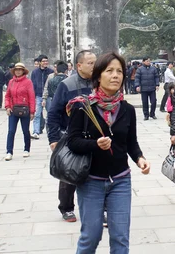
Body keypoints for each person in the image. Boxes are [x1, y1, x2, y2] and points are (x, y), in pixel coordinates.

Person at [67, 52, 150, 253]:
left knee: (120, 238)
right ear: (98, 76)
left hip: (120, 180)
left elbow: (131, 143)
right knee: (91, 236)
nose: (115, 76)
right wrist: (95, 144)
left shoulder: (127, 109)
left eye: (119, 71)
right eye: (109, 71)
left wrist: (140, 159)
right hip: (90, 181)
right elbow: (72, 142)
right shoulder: (83, 107)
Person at [48, 50, 96, 223]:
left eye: (95, 62)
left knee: (98, 173)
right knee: (70, 171)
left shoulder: (99, 82)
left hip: (96, 137)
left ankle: (99, 208)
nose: (94, 66)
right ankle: (66, 207)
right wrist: (53, 138)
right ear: (79, 65)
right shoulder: (66, 85)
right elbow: (53, 113)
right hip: (72, 136)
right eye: (90, 63)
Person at [4, 63, 35, 161]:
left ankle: (26, 149)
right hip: (13, 109)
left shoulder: (28, 82)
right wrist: (7, 106)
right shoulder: (11, 82)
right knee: (11, 131)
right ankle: (9, 151)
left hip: (25, 109)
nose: (18, 71)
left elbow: (31, 97)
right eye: (16, 69)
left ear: (23, 71)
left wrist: (32, 111)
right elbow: (7, 95)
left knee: (25, 130)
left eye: (20, 70)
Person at [30, 55, 53, 139]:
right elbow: (32, 84)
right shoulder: (35, 72)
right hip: (38, 95)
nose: (45, 62)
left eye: (46, 61)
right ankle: (36, 131)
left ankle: (50, 131)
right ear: (39, 62)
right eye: (43, 61)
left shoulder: (51, 71)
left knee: (50, 114)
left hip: (48, 96)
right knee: (37, 114)